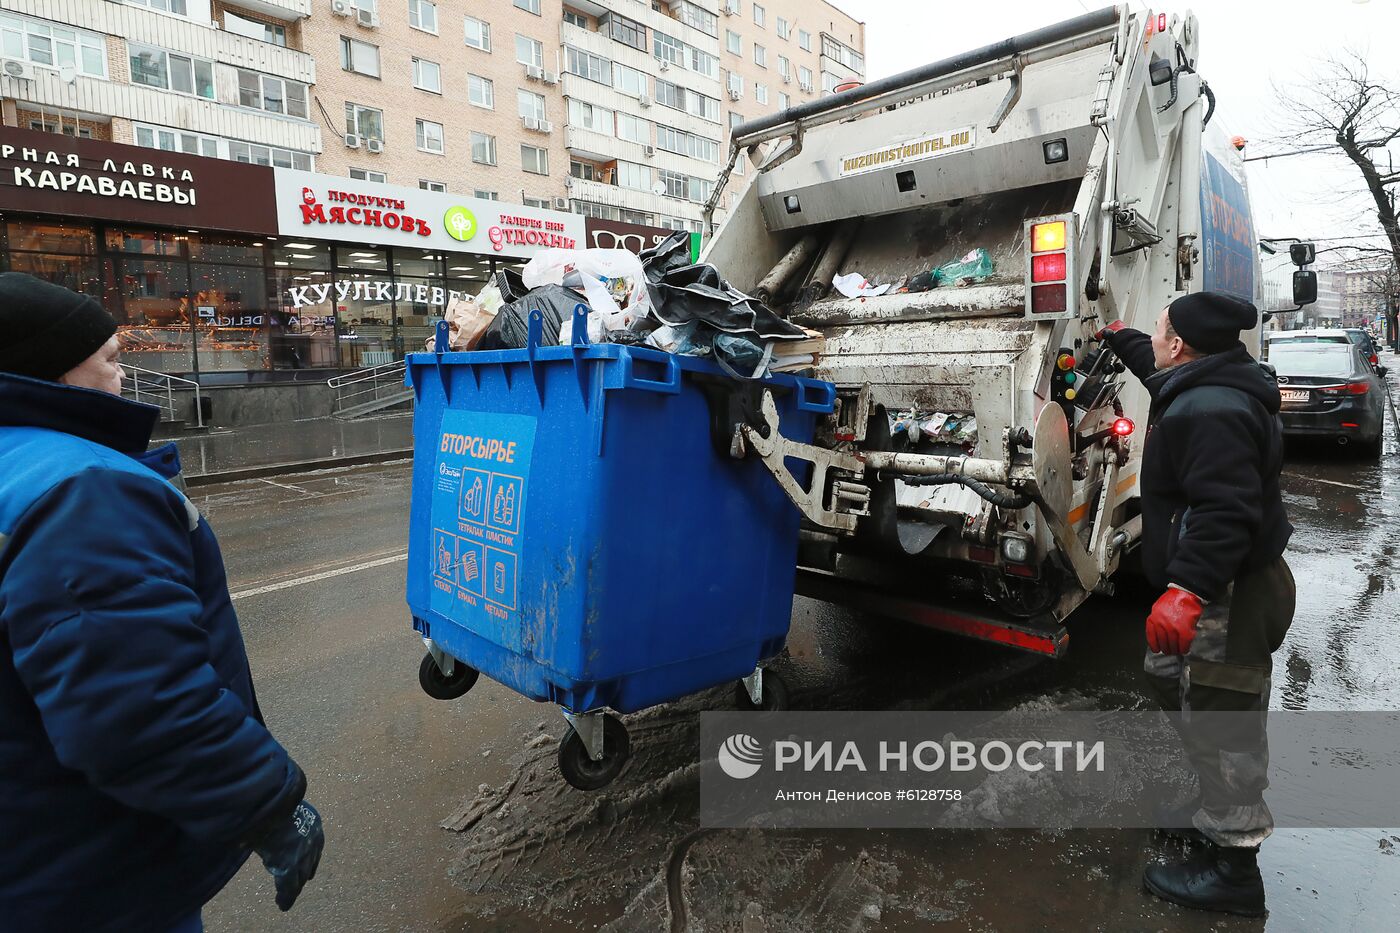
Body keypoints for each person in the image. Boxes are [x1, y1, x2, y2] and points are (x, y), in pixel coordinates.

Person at [0, 273, 325, 933]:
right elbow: (140, 706)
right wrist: (267, 803)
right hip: (91, 878)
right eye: (113, 360)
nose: (124, 377)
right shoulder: (82, 489)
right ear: (53, 372)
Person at [1097, 291, 1294, 917]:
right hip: (1219, 585)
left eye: (1159, 331)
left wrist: (1187, 589)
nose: (1155, 341)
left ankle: (1234, 867)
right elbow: (1149, 363)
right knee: (1172, 682)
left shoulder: (1209, 409)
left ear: (1179, 344)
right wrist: (1117, 332)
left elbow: (1225, 511)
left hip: (1228, 593)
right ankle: (1211, 809)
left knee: (1225, 722)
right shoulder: (1204, 380)